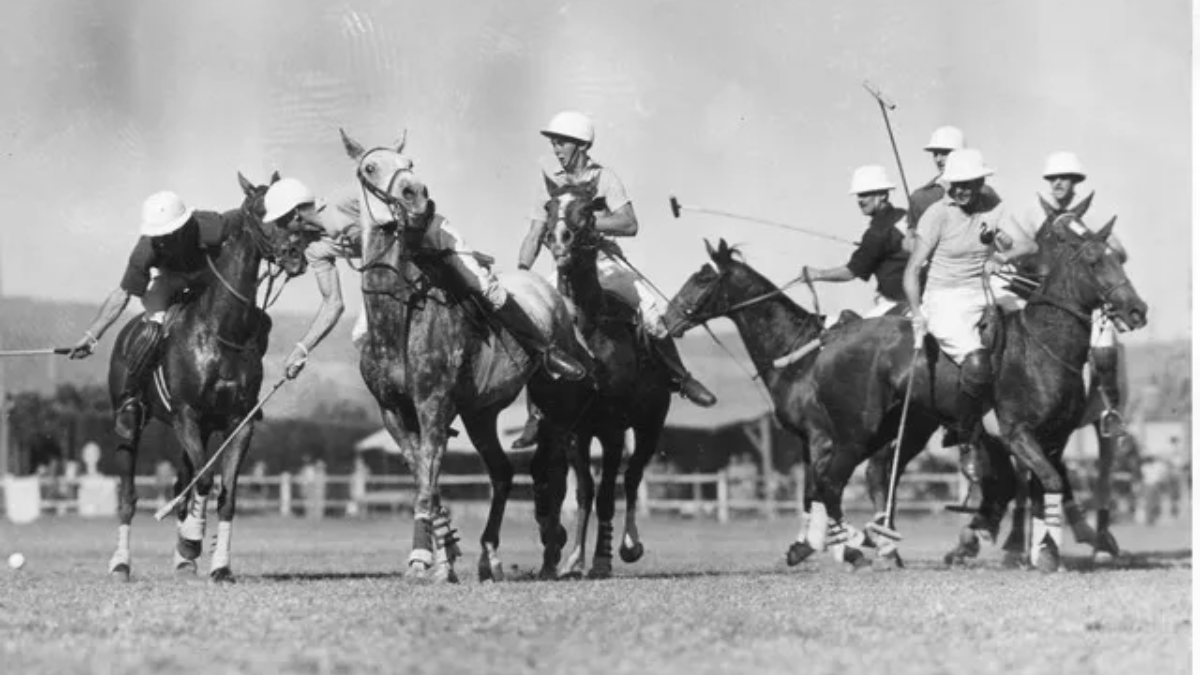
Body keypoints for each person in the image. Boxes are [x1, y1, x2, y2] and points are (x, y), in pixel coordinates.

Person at [511, 110, 717, 448]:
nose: (555, 148)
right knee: (537, 324)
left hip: (604, 263)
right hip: (563, 266)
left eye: (560, 142)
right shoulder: (548, 182)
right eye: (553, 142)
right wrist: (522, 274)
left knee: (652, 315)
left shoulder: (604, 178)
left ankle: (681, 378)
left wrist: (589, 225)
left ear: (580, 144)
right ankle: (535, 414)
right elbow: (535, 233)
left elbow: (629, 223)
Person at [67, 191, 240, 440]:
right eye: (158, 236)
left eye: (168, 234)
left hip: (210, 276)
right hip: (170, 279)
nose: (162, 241)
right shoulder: (144, 249)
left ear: (184, 226)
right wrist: (92, 335)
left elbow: (251, 217)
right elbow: (122, 295)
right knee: (152, 328)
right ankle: (131, 397)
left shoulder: (212, 225)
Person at [904, 149, 1021, 454]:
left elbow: (1027, 243)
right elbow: (912, 269)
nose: (963, 190)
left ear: (981, 181)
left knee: (1032, 321)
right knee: (978, 362)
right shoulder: (936, 215)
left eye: (970, 182)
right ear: (949, 185)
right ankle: (965, 433)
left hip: (981, 290)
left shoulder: (993, 206)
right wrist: (917, 312)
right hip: (944, 298)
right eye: (957, 184)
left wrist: (1002, 254)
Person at [1002, 152, 1128, 423]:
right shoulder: (1032, 212)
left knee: (1104, 346)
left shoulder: (1090, 216)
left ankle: (1110, 410)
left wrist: (1102, 249)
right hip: (1036, 294)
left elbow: (1119, 253)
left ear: (1075, 182)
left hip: (1080, 301)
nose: (1057, 183)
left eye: (1064, 178)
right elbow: (1013, 244)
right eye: (1053, 178)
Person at [258, 177, 365, 380]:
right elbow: (333, 304)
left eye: (281, 221)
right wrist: (302, 349)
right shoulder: (314, 249)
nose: (281, 228)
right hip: (390, 277)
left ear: (295, 214)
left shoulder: (347, 199)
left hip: (424, 254)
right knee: (362, 335)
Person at [802, 165, 910, 317]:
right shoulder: (904, 214)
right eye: (858, 195)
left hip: (900, 304)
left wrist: (816, 274)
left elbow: (850, 272)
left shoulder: (876, 233)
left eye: (865, 194)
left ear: (883, 195)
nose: (860, 200)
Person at [908, 126, 1001, 225]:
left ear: (962, 153)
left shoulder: (986, 192)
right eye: (935, 154)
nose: (938, 159)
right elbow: (912, 236)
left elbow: (1000, 225)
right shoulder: (920, 197)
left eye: (945, 153)